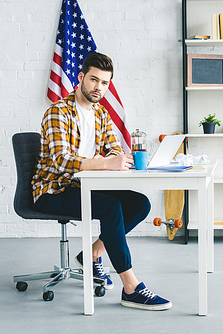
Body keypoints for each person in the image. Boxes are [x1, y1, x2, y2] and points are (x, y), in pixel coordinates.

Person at [31, 52, 171, 311]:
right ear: (81, 77)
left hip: (83, 185)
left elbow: (114, 149)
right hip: (53, 189)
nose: (99, 88)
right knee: (110, 207)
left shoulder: (101, 114)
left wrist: (115, 158)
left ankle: (92, 253)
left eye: (105, 83)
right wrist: (104, 162)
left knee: (140, 203)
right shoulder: (58, 112)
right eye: (94, 80)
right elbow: (62, 161)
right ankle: (130, 287)